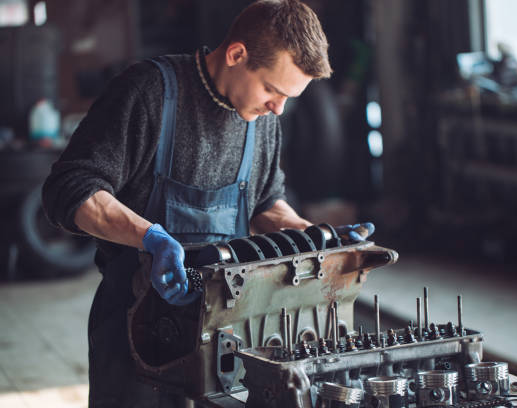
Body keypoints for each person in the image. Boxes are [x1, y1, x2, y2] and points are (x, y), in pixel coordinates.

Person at [42, 0, 373, 406]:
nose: (278, 108)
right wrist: (151, 237)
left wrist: (309, 236)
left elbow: (265, 203)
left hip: (227, 330)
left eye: (288, 97)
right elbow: (71, 187)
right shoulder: (148, 93)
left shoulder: (262, 119)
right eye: (271, 89)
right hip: (137, 327)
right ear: (237, 54)